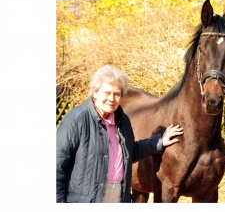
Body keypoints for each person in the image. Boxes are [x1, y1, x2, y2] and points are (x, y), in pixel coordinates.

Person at [56, 65, 183, 203]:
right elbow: (57, 165)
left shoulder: (122, 120)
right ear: (95, 92)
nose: (112, 98)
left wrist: (159, 142)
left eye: (116, 94)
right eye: (107, 93)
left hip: (118, 196)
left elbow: (130, 152)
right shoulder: (76, 118)